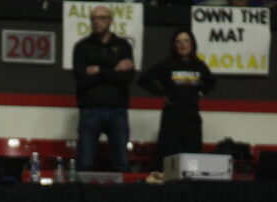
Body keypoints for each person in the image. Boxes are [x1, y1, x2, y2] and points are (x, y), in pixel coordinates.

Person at [137, 28, 215, 166]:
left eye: (186, 41)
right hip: (171, 116)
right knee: (168, 156)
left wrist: (200, 93)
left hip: (191, 116)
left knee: (193, 156)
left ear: (192, 44)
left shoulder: (198, 65)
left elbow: (211, 82)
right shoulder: (167, 64)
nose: (182, 44)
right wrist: (162, 94)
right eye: (178, 41)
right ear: (174, 45)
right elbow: (143, 80)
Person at [72, 5, 135, 172]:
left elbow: (127, 78)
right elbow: (82, 79)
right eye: (93, 19)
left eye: (101, 18)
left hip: (118, 109)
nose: (97, 22)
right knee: (85, 162)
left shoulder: (123, 46)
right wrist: (114, 69)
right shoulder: (82, 47)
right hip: (90, 109)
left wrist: (98, 70)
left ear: (110, 20)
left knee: (121, 163)